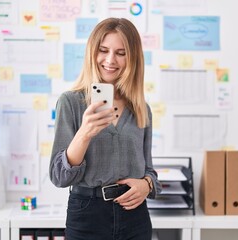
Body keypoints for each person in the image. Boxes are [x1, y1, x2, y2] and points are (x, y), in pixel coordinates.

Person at [49, 17, 162, 240]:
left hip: (135, 216)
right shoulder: (70, 102)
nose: (111, 60)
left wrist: (147, 185)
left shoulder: (141, 109)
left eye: (121, 53)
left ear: (133, 58)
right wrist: (85, 133)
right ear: (93, 52)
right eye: (103, 50)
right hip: (88, 215)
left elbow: (150, 171)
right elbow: (58, 177)